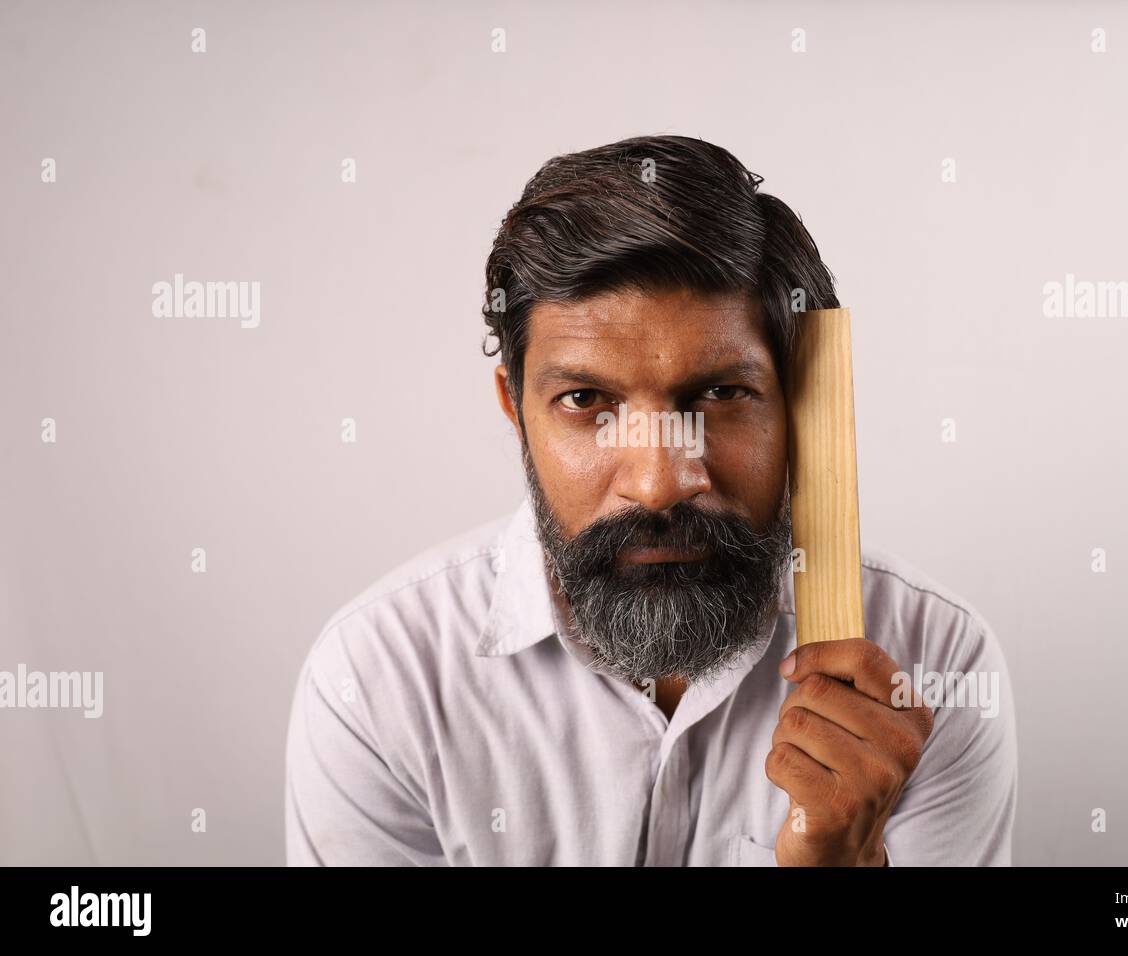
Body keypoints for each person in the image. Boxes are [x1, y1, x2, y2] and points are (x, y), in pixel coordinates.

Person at [284, 134, 1017, 866]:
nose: (661, 482)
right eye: (585, 400)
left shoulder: (936, 664)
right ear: (517, 409)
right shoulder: (378, 677)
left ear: (804, 407)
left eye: (722, 394)